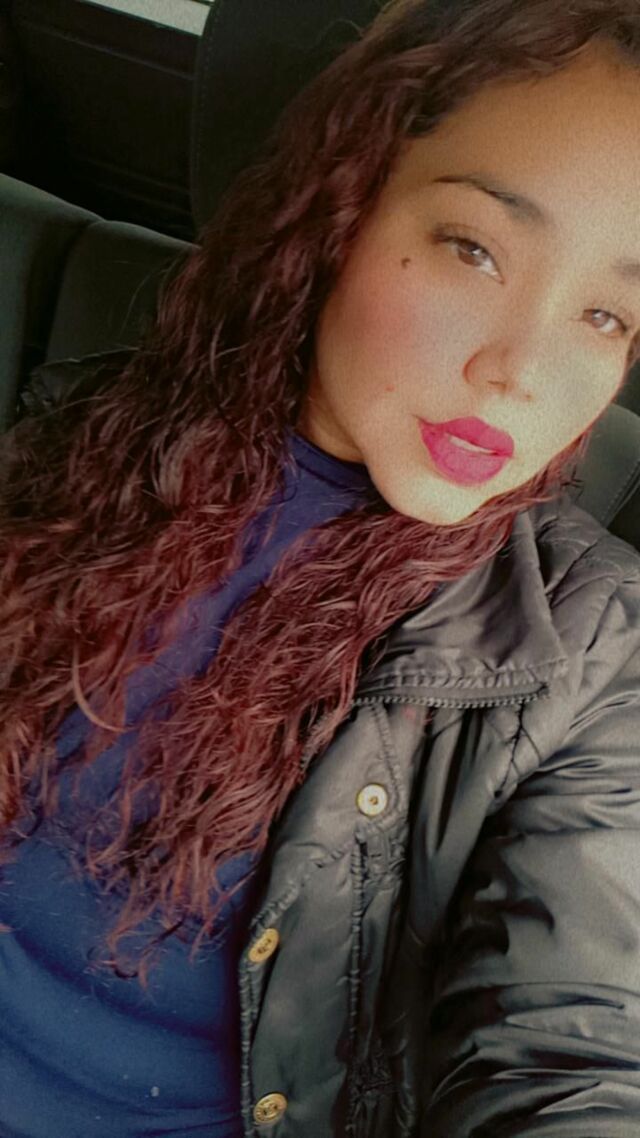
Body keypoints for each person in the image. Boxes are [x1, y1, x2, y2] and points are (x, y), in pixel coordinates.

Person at [1, 0, 640, 1134]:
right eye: (475, 249)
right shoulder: (81, 437)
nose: (523, 370)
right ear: (339, 206)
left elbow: (569, 1053)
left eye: (605, 316)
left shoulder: (587, 662)